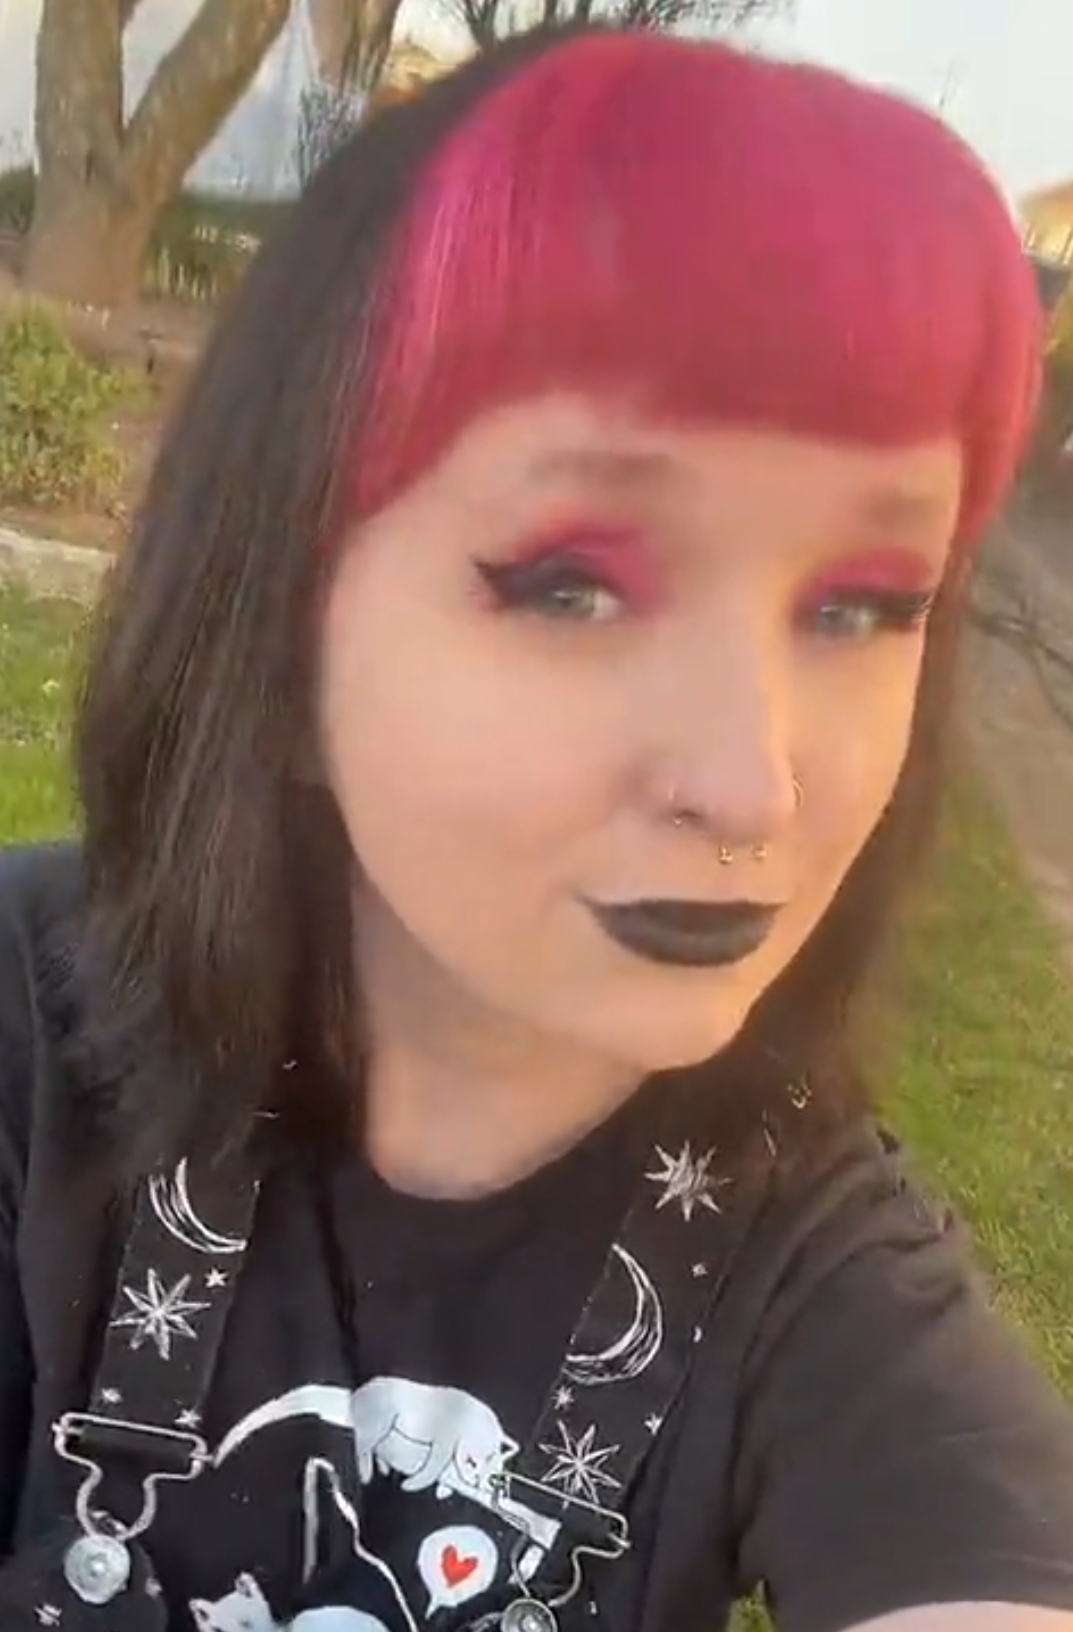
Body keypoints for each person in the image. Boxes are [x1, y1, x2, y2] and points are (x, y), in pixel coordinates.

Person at [1, 22, 1072, 1632]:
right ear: (276, 635)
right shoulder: (30, 1039)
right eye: (571, 586)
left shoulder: (818, 1277)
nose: (752, 784)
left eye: (859, 605)